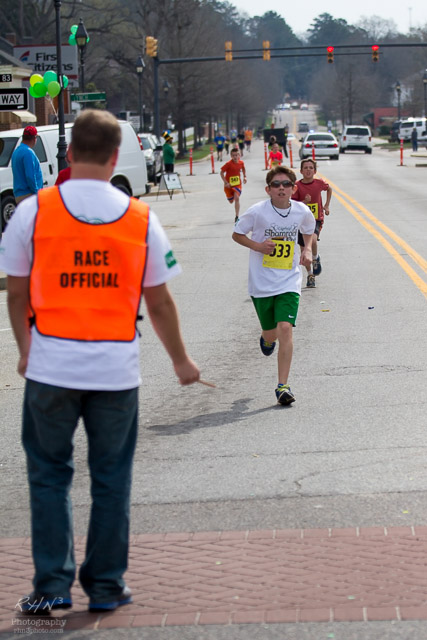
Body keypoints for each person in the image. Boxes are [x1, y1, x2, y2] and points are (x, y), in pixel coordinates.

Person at [0, 110, 200, 615]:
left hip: (50, 366)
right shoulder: (141, 219)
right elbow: (159, 302)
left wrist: (26, 349)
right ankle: (106, 586)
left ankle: (52, 585)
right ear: (115, 157)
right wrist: (180, 360)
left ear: (68, 155)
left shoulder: (34, 213)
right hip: (115, 370)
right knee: (112, 479)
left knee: (49, 476)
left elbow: (16, 291)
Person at [232, 165, 314, 406]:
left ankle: (283, 386)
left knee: (285, 328)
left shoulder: (301, 211)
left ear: (293, 188)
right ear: (268, 189)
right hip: (262, 283)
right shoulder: (257, 212)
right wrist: (258, 246)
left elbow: (309, 231)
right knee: (272, 333)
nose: (281, 188)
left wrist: (307, 249)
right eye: (276, 185)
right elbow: (237, 234)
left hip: (288, 280)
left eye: (286, 184)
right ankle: (266, 338)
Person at [292, 158, 332, 288]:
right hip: (301, 221)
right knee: (304, 250)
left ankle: (315, 258)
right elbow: (292, 204)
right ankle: (310, 275)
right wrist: (304, 202)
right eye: (305, 168)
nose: (308, 170)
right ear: (301, 171)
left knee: (313, 240)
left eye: (311, 168)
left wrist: (326, 205)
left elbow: (329, 189)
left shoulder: (319, 183)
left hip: (315, 219)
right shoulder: (297, 186)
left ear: (315, 171)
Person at [11, 125, 43, 204]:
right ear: (34, 138)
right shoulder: (28, 152)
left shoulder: (16, 152)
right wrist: (36, 193)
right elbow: (30, 176)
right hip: (28, 195)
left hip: (19, 194)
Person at [220, 148, 247, 223]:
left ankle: (237, 216)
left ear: (239, 155)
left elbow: (243, 168)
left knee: (237, 198)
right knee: (231, 201)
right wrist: (226, 182)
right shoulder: (228, 164)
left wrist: (245, 177)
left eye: (237, 155)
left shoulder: (241, 163)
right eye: (233, 155)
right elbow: (221, 172)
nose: (235, 157)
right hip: (228, 185)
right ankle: (231, 197)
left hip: (237, 184)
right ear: (231, 156)